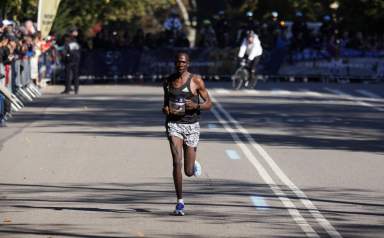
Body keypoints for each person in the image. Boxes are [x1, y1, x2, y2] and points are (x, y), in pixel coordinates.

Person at [162, 52, 212, 216]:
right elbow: (165, 104)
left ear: (188, 64)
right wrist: (166, 109)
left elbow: (209, 104)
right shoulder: (168, 81)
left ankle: (193, 164)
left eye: (183, 62)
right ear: (175, 63)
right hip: (174, 125)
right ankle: (180, 202)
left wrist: (195, 105)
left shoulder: (196, 81)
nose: (180, 64)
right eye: (178, 62)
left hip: (191, 126)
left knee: (188, 171)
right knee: (177, 162)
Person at [61, 29, 81, 94]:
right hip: (76, 60)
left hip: (69, 60)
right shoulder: (76, 42)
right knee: (75, 75)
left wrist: (64, 58)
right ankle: (76, 89)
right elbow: (79, 51)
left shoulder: (68, 42)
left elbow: (64, 52)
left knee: (68, 75)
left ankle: (67, 89)